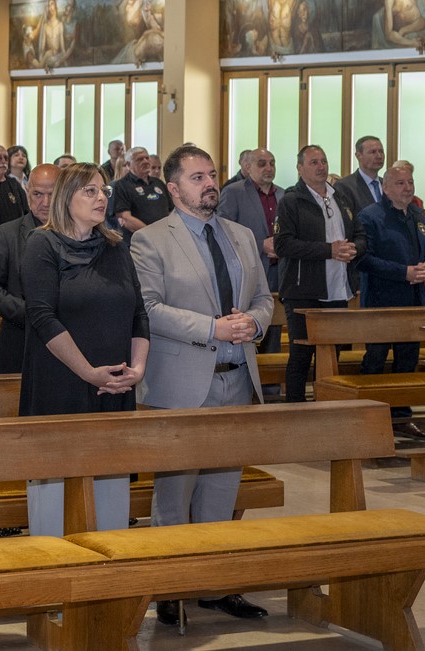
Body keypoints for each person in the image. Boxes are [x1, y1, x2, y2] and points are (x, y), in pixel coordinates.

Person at [130, 145, 271, 626]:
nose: (209, 183)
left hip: (237, 380)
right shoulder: (150, 240)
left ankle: (215, 585)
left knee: (221, 492)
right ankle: (170, 589)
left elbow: (264, 298)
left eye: (211, 175)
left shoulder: (242, 235)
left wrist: (253, 322)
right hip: (182, 383)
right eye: (197, 177)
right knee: (174, 496)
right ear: (173, 188)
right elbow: (149, 309)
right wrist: (213, 328)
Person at [19, 162, 149, 540]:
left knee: (111, 499)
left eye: (104, 190)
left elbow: (139, 313)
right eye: (89, 191)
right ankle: (52, 572)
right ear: (66, 197)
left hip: (115, 386)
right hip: (60, 385)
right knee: (53, 499)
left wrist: (137, 370)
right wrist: (89, 373)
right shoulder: (42, 243)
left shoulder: (116, 246)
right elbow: (42, 316)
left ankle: (108, 573)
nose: (101, 197)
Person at [274, 145, 364, 401]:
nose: (321, 166)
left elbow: (360, 233)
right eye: (313, 162)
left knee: (333, 353)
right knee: (301, 354)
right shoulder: (291, 200)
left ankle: (327, 405)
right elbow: (283, 244)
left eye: (323, 161)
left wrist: (354, 248)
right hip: (303, 290)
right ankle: (295, 409)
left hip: (338, 289)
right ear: (300, 168)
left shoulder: (341, 198)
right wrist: (328, 250)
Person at [358, 162, 425, 438]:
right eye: (401, 183)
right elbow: (363, 259)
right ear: (385, 187)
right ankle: (368, 419)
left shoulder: (417, 214)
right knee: (376, 360)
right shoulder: (370, 216)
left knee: (407, 360)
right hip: (381, 302)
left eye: (410, 182)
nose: (407, 188)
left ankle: (401, 418)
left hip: (413, 301)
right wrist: (403, 272)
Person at [0, 163, 58, 374]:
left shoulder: (80, 234)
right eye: (38, 194)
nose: (45, 202)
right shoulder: (6, 234)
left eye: (52, 194)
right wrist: (35, 314)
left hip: (73, 344)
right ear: (27, 192)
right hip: (21, 340)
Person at [216, 147, 284, 354]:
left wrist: (282, 245)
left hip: (278, 271)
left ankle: (271, 373)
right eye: (262, 164)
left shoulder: (283, 194)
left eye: (272, 163)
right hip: (249, 269)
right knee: (248, 325)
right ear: (247, 166)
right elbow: (223, 230)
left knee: (274, 325)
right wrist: (260, 244)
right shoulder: (234, 192)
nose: (268, 168)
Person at [111, 147, 172, 235]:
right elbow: (125, 218)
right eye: (139, 159)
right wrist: (152, 234)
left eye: (147, 158)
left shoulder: (158, 183)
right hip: (139, 238)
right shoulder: (121, 186)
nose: (145, 161)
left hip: (164, 236)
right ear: (128, 165)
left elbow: (171, 211)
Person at [337, 135, 386, 213]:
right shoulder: (345, 187)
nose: (379, 156)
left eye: (381, 151)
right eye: (373, 152)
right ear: (359, 156)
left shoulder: (387, 184)